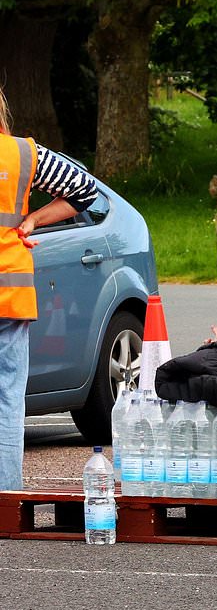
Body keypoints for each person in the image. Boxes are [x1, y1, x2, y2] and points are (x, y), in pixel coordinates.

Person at [0, 86, 99, 489]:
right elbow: (84, 190)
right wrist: (32, 221)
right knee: (7, 399)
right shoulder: (24, 154)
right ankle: (6, 499)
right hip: (10, 289)